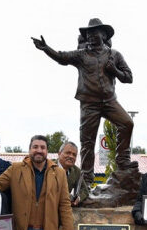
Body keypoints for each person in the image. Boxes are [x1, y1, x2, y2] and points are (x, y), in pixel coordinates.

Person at [32, 18, 137, 185]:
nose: (90, 36)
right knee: (87, 143)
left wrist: (114, 70)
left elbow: (129, 78)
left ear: (103, 34)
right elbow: (61, 57)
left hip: (110, 101)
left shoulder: (114, 55)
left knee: (127, 123)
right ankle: (87, 180)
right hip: (89, 104)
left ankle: (123, 160)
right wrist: (46, 48)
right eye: (88, 33)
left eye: (94, 32)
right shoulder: (81, 55)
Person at [57, 141, 89, 206]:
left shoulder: (76, 171)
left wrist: (78, 198)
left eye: (74, 155)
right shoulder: (49, 167)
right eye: (68, 153)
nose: (71, 156)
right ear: (59, 153)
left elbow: (85, 190)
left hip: (66, 209)